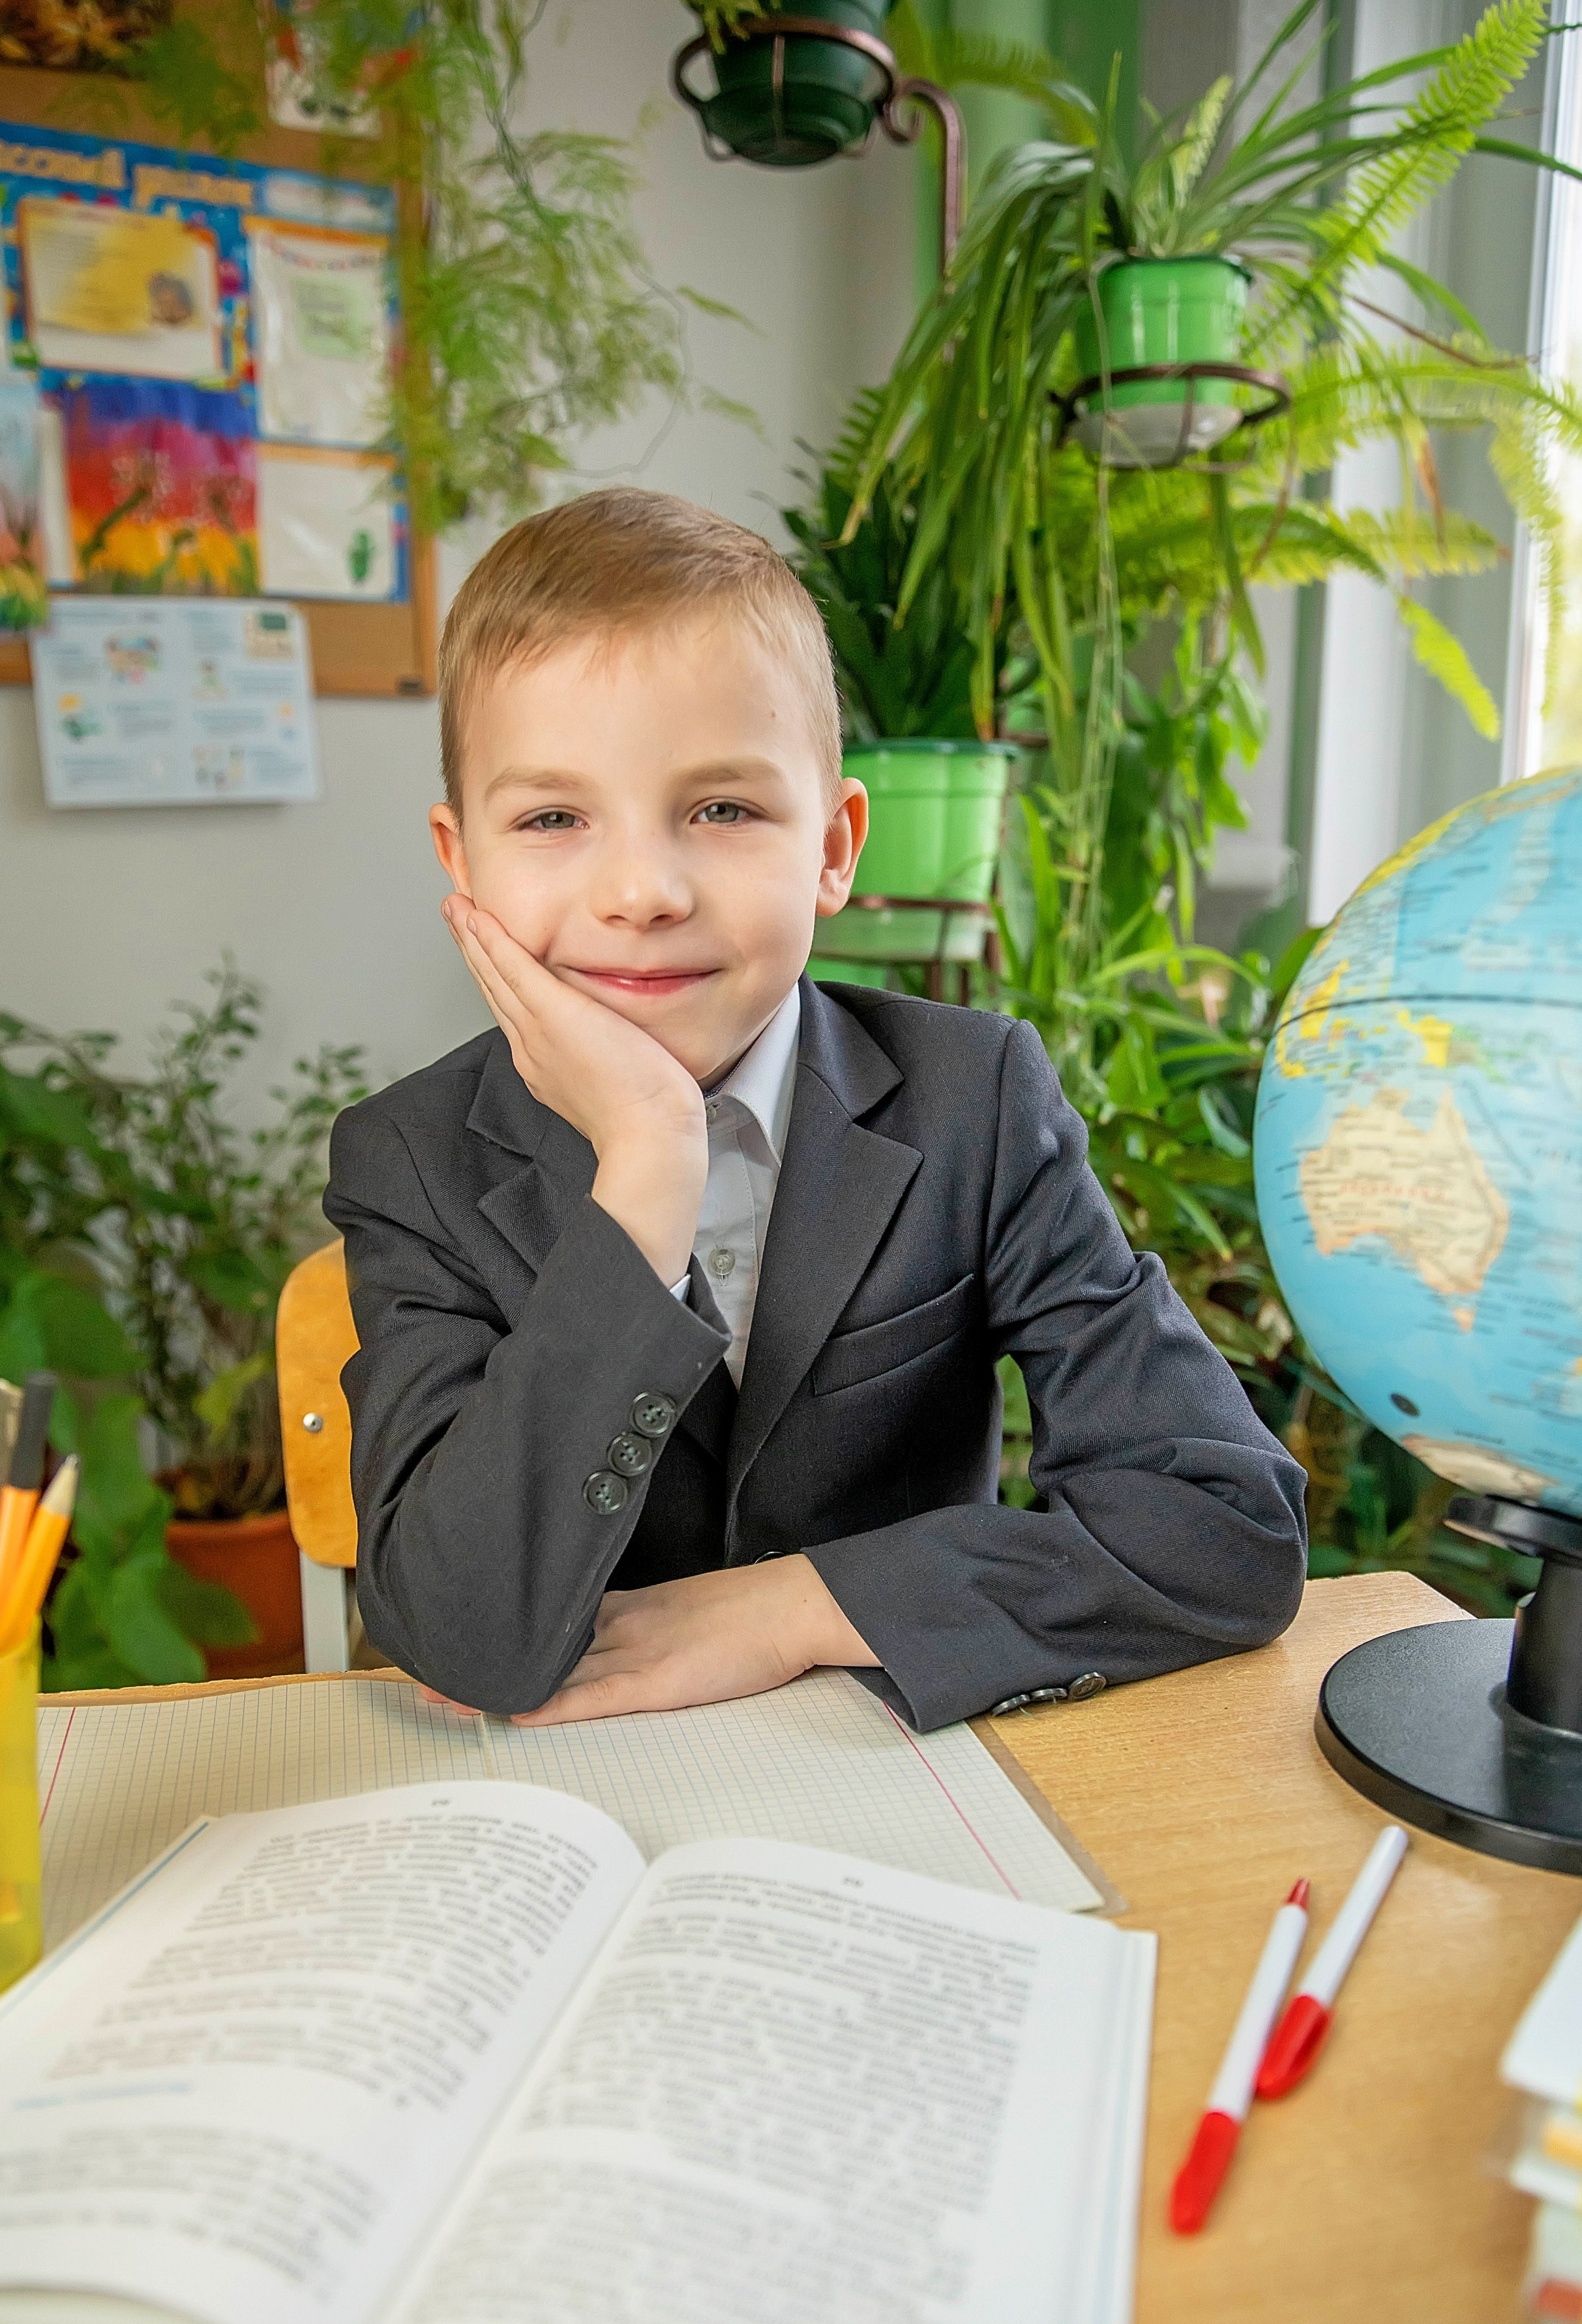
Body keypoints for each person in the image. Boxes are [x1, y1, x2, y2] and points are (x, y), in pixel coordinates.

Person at [323, 488, 1306, 1732]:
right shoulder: (411, 1160)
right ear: (462, 864)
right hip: (575, 1797)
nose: (642, 890)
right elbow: (462, 1631)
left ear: (835, 847)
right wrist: (647, 1165)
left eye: (722, 808)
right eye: (554, 817)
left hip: (913, 1778)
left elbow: (1226, 1526)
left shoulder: (976, 1100)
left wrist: (793, 1606)